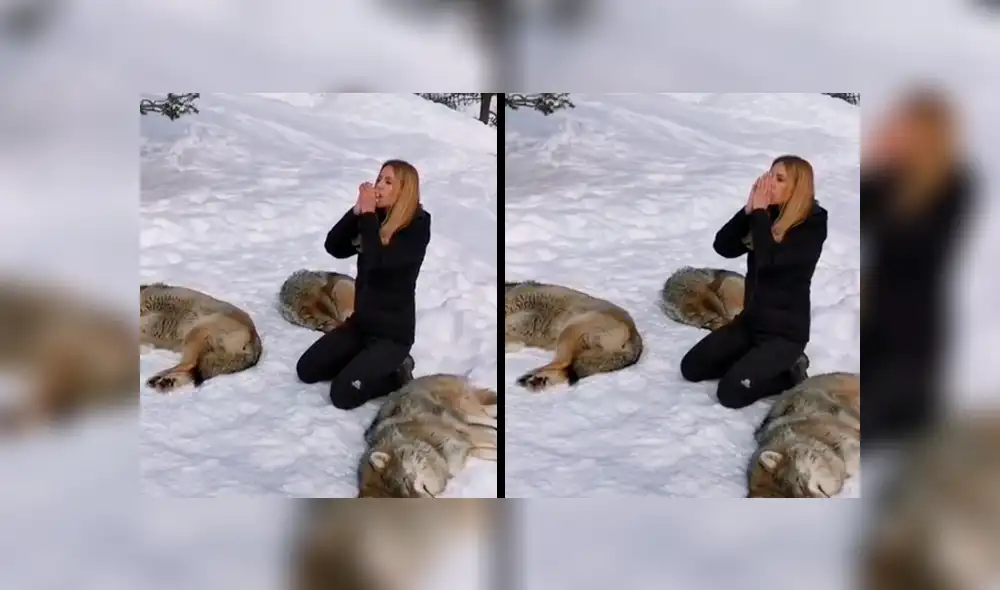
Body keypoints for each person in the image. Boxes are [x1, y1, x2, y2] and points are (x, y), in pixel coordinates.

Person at [861, 89, 973, 445]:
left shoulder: (955, 185)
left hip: (911, 333)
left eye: (909, 130)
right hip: (876, 324)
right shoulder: (886, 182)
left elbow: (917, 248)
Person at [680, 155, 828, 409]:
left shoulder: (811, 224)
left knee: (731, 393)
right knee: (691, 368)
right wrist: (748, 211)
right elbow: (723, 247)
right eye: (769, 175)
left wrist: (759, 214)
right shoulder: (768, 214)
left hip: (784, 335)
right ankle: (750, 362)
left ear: (797, 187)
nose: (769, 183)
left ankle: (790, 372)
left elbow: (769, 261)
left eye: (779, 179)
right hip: (749, 324)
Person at [295, 159, 431, 410]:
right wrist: (357, 211)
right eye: (379, 179)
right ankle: (361, 363)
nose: (379, 185)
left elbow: (376, 261)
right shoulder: (375, 217)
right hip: (361, 326)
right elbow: (334, 247)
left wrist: (368, 216)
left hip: (392, 337)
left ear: (404, 190)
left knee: (343, 395)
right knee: (307, 370)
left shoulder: (417, 227)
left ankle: (398, 372)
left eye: (388, 182)